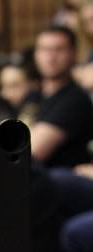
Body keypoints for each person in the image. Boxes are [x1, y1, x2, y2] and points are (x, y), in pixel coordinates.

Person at [27, 25, 93, 167]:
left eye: (58, 50)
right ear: (36, 54)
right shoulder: (33, 96)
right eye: (44, 49)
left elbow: (31, 152)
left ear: (73, 54)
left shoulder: (75, 99)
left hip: (55, 182)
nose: (50, 57)